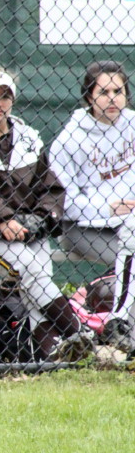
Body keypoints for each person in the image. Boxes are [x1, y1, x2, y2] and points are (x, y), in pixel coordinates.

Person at [0, 67, 95, 362]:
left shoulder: (27, 137)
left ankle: (52, 352)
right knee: (29, 268)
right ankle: (77, 332)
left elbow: (50, 187)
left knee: (38, 273)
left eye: (6, 96)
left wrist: (41, 218)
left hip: (26, 228)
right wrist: (1, 218)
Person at [49, 60, 135, 355]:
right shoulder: (69, 140)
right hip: (83, 228)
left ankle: (122, 329)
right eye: (103, 92)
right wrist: (107, 209)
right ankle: (120, 323)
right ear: (89, 96)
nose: (112, 99)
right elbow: (64, 202)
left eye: (118, 91)